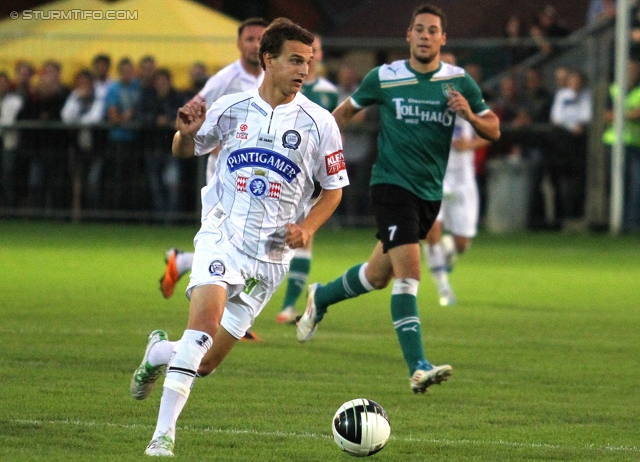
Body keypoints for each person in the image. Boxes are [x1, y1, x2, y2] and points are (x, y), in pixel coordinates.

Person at [130, 18, 348, 457]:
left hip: (268, 259)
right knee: (201, 331)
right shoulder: (232, 108)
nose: (303, 69)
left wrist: (307, 228)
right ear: (268, 59)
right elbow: (185, 149)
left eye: (307, 61)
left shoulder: (320, 122)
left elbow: (334, 188)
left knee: (205, 363)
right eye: (294, 60)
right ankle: (162, 437)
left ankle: (157, 354)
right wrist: (185, 133)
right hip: (221, 235)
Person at [296, 4, 500, 394]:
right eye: (419, 29)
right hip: (391, 187)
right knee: (409, 274)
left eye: (433, 31)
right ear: (408, 36)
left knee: (377, 275)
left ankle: (320, 297)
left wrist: (470, 116)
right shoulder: (384, 77)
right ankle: (418, 366)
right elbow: (341, 115)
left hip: (428, 193)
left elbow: (494, 129)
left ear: (443, 39)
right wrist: (308, 151)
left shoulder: (458, 83)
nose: (425, 36)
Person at [158, 17, 268, 342]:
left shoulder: (270, 77)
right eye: (250, 39)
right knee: (229, 239)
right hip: (224, 171)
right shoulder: (227, 78)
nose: (256, 44)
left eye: (261, 39)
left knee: (248, 240)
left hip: (257, 173)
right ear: (239, 44)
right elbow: (194, 109)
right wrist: (213, 136)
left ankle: (184, 263)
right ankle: (228, 320)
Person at [275, 33, 340, 324]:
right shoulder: (279, 88)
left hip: (310, 174)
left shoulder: (328, 92)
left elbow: (332, 131)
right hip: (281, 170)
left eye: (314, 51)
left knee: (302, 236)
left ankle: (288, 306)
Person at [421, 52, 490, 307]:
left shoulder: (468, 100)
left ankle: (448, 252)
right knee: (432, 232)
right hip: (434, 176)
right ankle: (443, 287)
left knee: (462, 243)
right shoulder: (424, 101)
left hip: (462, 179)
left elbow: (491, 131)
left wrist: (469, 143)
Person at [138, 68, 185, 218]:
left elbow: (182, 116)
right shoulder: (148, 97)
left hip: (171, 148)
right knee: (155, 186)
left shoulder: (176, 97)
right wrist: (155, 120)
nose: (162, 84)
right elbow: (140, 115)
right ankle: (160, 217)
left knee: (172, 184)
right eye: (159, 81)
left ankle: (171, 217)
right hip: (153, 146)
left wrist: (169, 120)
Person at [61, 69, 106, 209]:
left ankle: (94, 211)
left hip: (96, 148)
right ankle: (80, 212)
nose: (83, 86)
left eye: (86, 82)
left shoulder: (98, 97)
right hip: (78, 147)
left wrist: (78, 121)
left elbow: (95, 118)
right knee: (77, 183)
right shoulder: (74, 96)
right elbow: (66, 117)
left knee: (93, 181)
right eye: (81, 83)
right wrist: (78, 100)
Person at [603, 60, 640, 232]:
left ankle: (631, 222)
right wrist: (629, 114)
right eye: (629, 69)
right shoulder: (613, 90)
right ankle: (615, 220)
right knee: (617, 184)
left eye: (635, 70)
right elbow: (606, 115)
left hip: (635, 144)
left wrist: (619, 114)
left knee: (636, 183)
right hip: (613, 143)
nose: (632, 73)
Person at [0, 72, 23, 207]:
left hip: (8, 143)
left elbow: (8, 122)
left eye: (3, 83)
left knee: (8, 175)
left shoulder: (15, 100)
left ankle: (10, 207)